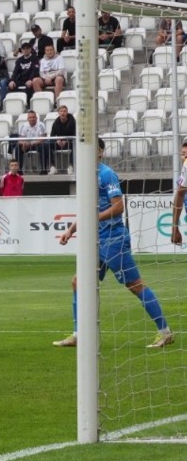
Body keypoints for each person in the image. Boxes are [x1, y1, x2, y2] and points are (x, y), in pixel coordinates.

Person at [54, 139, 174, 349]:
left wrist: (95, 219)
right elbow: (88, 210)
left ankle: (165, 332)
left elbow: (118, 207)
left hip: (114, 239)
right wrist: (71, 230)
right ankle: (79, 334)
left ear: (100, 152)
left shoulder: (106, 174)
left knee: (135, 285)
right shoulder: (85, 175)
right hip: (97, 241)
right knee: (78, 283)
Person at [50, 105, 76, 174]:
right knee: (48, 145)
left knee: (74, 145)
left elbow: (75, 135)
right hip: (59, 143)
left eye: (64, 111)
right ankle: (52, 167)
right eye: (61, 111)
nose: (63, 113)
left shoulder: (73, 122)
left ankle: (71, 166)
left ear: (67, 112)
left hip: (70, 142)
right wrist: (57, 140)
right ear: (58, 113)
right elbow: (52, 136)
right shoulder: (55, 123)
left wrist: (66, 140)